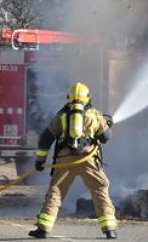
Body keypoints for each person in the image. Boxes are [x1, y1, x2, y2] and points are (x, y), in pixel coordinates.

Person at [28, 82, 117, 240]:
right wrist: (107, 125)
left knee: (56, 192)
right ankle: (109, 230)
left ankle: (43, 229)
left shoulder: (61, 116)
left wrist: (40, 161)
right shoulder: (95, 115)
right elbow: (105, 138)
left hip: (65, 160)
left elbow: (45, 139)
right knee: (100, 190)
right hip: (88, 159)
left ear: (69, 97)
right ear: (88, 98)